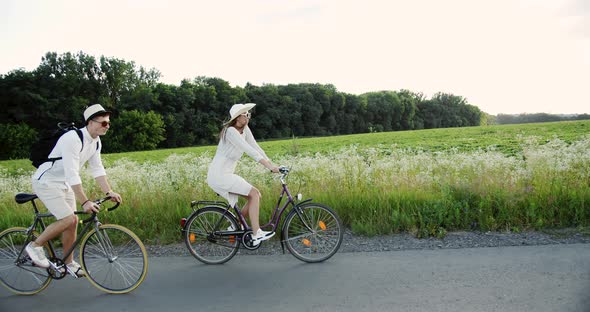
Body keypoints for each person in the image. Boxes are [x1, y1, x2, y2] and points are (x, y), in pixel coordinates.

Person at [26, 104, 122, 276]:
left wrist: (109, 192)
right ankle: (35, 246)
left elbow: (97, 169)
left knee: (73, 222)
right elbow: (72, 173)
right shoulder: (73, 138)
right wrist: (85, 201)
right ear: (90, 122)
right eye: (103, 123)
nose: (107, 126)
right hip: (47, 182)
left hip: (64, 184)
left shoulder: (96, 142)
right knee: (68, 219)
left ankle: (69, 263)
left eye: (108, 123)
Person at [207, 103, 279, 246]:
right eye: (245, 114)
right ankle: (256, 232)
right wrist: (268, 166)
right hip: (219, 175)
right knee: (254, 194)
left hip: (227, 174)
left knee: (255, 195)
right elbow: (248, 150)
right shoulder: (230, 131)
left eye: (248, 114)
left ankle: (235, 225)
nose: (248, 116)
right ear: (237, 117)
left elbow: (255, 147)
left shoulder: (245, 130)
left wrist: (272, 164)